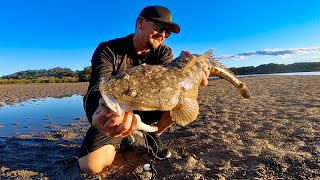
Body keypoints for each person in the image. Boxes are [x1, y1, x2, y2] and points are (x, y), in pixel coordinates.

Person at [78, 5, 210, 174]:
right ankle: (123, 137)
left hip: (149, 108)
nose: (163, 35)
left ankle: (152, 136)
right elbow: (97, 88)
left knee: (180, 98)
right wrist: (97, 117)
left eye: (167, 32)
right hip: (117, 114)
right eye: (159, 27)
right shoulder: (108, 50)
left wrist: (190, 73)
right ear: (140, 23)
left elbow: (173, 83)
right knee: (90, 165)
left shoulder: (164, 52)